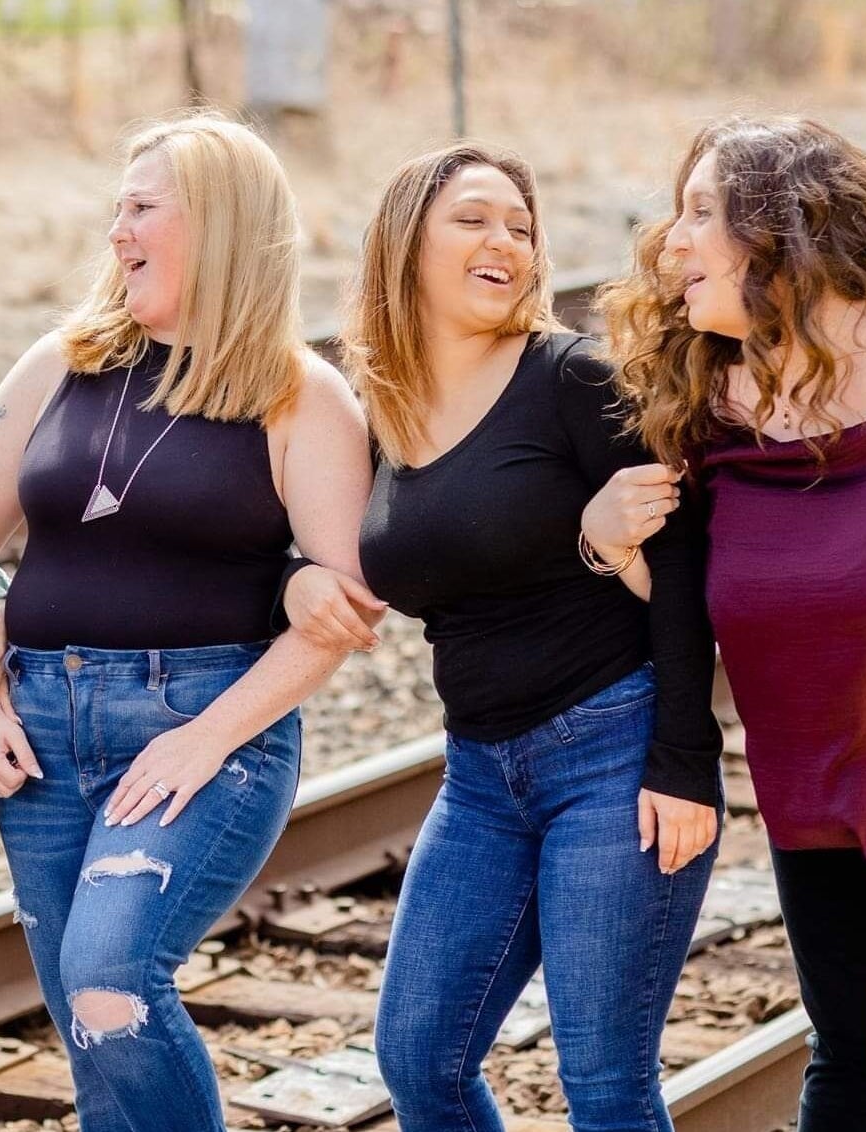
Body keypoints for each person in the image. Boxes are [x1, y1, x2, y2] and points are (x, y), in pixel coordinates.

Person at [290, 141, 722, 1132]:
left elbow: (682, 567)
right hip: (479, 775)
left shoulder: (570, 377)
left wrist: (683, 762)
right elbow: (321, 538)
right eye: (472, 220)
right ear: (404, 246)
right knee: (417, 1063)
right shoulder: (379, 410)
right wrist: (297, 574)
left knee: (603, 1079)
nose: (505, 243)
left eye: (519, 228)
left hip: (611, 752)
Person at [0, 112, 373, 1131]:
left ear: (220, 225)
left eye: (141, 208)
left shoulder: (298, 397)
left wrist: (204, 735)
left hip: (200, 726)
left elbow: (341, 609)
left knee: (110, 977)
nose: (116, 231)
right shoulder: (60, 361)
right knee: (87, 1030)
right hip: (39, 733)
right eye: (117, 208)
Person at [593, 115, 866, 1132]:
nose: (670, 242)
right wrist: (609, 544)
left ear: (781, 231)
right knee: (847, 1062)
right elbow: (710, 605)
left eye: (696, 212)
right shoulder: (713, 400)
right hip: (816, 804)